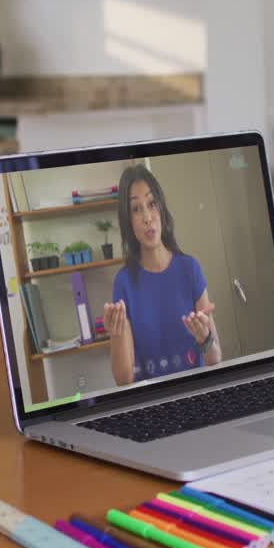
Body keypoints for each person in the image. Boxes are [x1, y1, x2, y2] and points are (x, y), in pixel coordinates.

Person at [104, 165, 222, 385]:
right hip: (151, 403)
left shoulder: (190, 269)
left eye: (151, 204)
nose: (147, 217)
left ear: (161, 208)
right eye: (136, 209)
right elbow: (123, 379)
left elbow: (215, 358)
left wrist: (204, 338)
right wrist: (116, 333)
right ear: (128, 221)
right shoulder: (124, 283)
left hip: (194, 393)